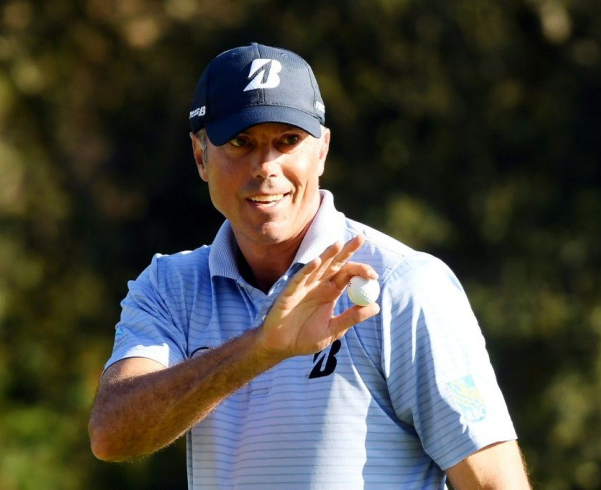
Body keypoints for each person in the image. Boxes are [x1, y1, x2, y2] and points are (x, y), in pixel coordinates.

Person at [88, 42, 531, 489]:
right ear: (201, 156)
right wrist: (261, 350)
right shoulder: (169, 287)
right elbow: (112, 434)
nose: (266, 167)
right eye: (241, 142)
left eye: (288, 141)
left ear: (321, 151)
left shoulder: (404, 284)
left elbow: (494, 482)